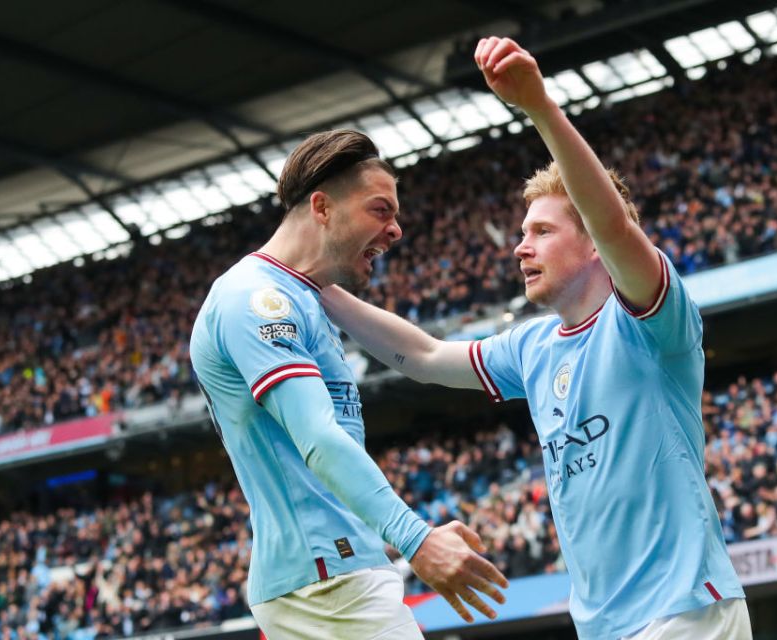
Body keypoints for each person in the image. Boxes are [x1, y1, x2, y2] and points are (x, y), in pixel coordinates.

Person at [320, 39, 750, 639]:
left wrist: (539, 108)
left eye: (542, 231)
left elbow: (615, 225)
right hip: (606, 626)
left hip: (684, 612)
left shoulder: (653, 322)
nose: (520, 246)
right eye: (523, 232)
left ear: (593, 242)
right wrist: (319, 289)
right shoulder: (534, 346)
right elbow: (423, 355)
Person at [189, 130, 507, 640]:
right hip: (325, 581)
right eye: (381, 210)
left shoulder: (303, 294)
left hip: (335, 572)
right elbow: (318, 438)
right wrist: (415, 539)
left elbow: (422, 354)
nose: (397, 229)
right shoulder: (256, 299)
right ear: (321, 207)